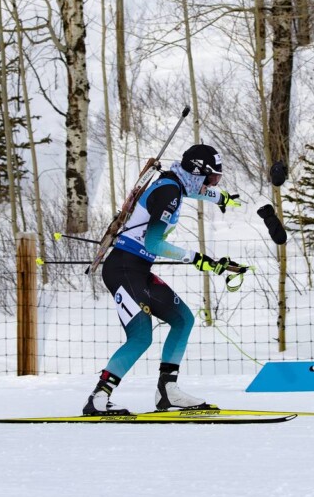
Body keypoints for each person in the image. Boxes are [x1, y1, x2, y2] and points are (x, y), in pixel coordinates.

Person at [83, 144, 241, 415]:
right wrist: (199, 259)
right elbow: (154, 243)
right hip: (122, 269)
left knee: (183, 319)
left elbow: (196, 190)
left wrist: (220, 197)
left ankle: (168, 391)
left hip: (138, 270)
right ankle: (98, 397)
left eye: (217, 179)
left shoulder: (175, 184)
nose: (213, 183)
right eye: (212, 178)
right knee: (140, 336)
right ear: (197, 172)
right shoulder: (169, 192)